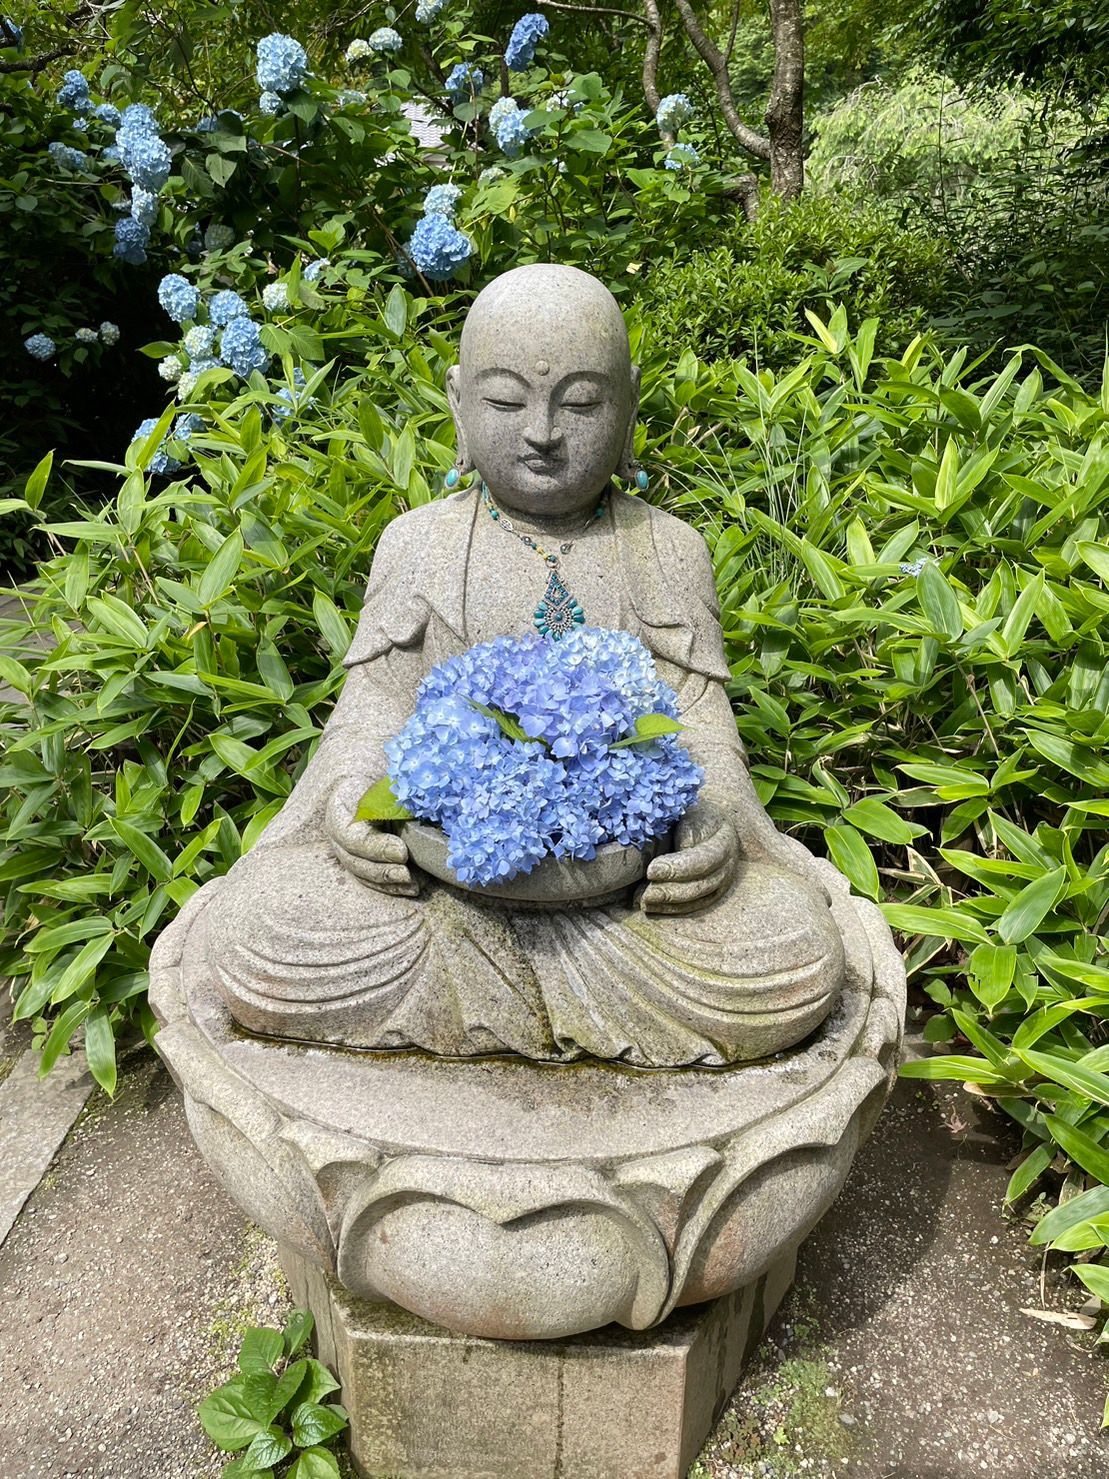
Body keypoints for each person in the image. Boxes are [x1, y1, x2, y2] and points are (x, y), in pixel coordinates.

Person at [205, 264, 849, 1066]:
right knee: (264, 934)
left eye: (579, 402)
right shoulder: (418, 543)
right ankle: (517, 991)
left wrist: (711, 826)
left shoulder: (665, 549)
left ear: (628, 402)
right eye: (506, 401)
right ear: (456, 401)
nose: (542, 430)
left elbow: (698, 727)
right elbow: (373, 704)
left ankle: (497, 1004)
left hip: (625, 901)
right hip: (443, 891)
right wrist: (345, 804)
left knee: (792, 954)